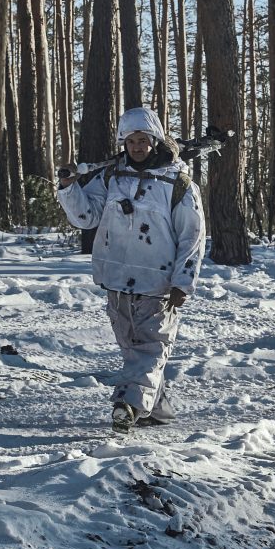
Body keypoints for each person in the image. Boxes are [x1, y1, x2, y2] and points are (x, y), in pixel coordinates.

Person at [56, 106, 206, 432]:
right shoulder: (112, 176)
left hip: (158, 283)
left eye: (144, 140)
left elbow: (192, 236)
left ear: (155, 140)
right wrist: (70, 189)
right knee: (134, 352)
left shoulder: (177, 183)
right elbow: (87, 217)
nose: (138, 146)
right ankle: (157, 410)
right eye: (131, 140)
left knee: (151, 348)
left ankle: (128, 404)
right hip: (116, 282)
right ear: (123, 142)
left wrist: (183, 281)